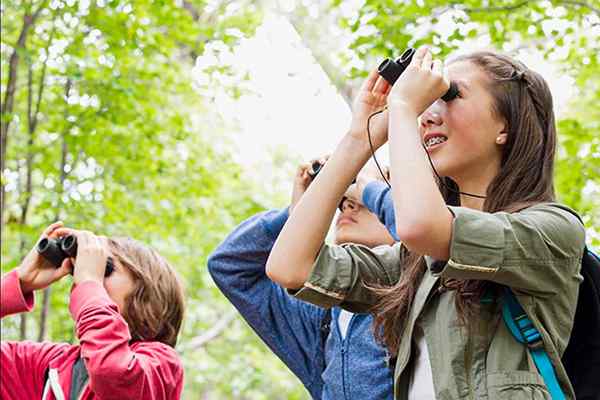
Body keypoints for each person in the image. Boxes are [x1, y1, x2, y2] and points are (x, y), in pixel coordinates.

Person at [266, 46, 586, 399]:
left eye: (449, 95)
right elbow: (290, 266)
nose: (427, 116)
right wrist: (360, 137)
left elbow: (420, 226)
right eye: (426, 103)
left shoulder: (552, 229)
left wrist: (403, 107)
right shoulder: (415, 264)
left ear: (505, 126)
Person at [208, 160, 398, 399]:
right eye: (342, 203)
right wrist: (297, 214)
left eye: (366, 203)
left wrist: (369, 186)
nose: (348, 205)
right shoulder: (322, 312)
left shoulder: (421, 285)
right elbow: (229, 266)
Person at [1, 222, 185, 400]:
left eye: (105, 269)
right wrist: (18, 283)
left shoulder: (162, 363)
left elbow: (112, 373)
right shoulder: (53, 364)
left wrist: (90, 281)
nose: (83, 277)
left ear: (148, 297)